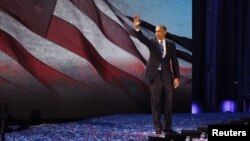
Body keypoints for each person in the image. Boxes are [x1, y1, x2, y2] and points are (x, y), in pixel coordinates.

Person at [133, 15, 180, 134]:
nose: (157, 33)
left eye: (159, 31)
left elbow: (174, 61)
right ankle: (158, 127)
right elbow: (141, 38)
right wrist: (137, 28)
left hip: (167, 76)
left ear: (165, 32)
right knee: (156, 103)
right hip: (154, 75)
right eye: (156, 31)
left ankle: (168, 127)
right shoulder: (151, 41)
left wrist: (177, 77)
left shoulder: (171, 44)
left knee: (169, 102)